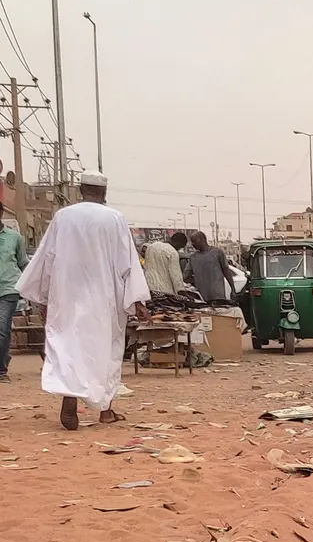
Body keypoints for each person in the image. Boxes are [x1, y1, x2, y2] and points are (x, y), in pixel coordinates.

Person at [16, 170, 150, 429]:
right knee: (106, 351)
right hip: (105, 298)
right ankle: (105, 410)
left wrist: (43, 298)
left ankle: (70, 395)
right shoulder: (114, 219)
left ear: (80, 190)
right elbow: (128, 263)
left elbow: (47, 258)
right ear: (104, 194)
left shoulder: (63, 217)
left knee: (68, 347)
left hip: (66, 296)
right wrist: (138, 301)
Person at [0, 203, 28, 383]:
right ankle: (3, 361)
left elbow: (23, 263)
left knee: (2, 328)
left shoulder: (15, 237)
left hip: (8, 289)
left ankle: (1, 371)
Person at [183, 231, 237, 303]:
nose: (193, 244)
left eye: (194, 241)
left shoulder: (217, 252)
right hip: (202, 298)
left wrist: (233, 289)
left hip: (217, 296)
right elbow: (185, 276)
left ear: (203, 239)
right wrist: (197, 281)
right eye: (192, 242)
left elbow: (226, 271)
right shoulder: (193, 257)